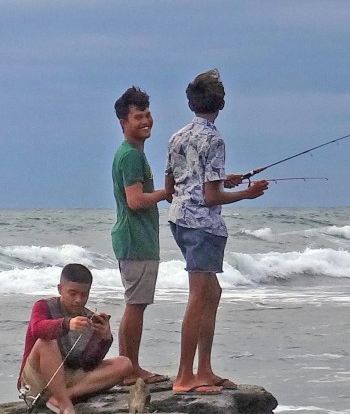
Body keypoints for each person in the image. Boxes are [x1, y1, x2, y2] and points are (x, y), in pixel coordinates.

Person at [164, 69, 269, 395]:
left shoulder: (177, 136)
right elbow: (211, 197)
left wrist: (226, 179)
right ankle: (184, 376)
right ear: (220, 103)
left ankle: (204, 369)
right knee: (199, 296)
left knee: (213, 292)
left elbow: (172, 186)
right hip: (203, 226)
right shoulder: (215, 139)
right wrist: (245, 194)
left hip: (178, 220)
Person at [111, 86, 172, 385]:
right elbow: (135, 200)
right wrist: (166, 192)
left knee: (134, 304)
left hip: (135, 239)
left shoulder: (132, 154)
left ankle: (126, 367)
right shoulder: (131, 156)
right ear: (124, 122)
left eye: (147, 114)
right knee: (136, 305)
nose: (145, 120)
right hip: (136, 239)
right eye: (138, 117)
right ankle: (130, 369)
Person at [18, 263, 134, 414]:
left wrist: (104, 339)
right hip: (36, 381)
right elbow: (37, 328)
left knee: (124, 363)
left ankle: (61, 397)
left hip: (68, 379)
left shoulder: (88, 317)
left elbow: (87, 364)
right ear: (60, 289)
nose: (78, 300)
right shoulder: (43, 306)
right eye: (72, 293)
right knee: (47, 342)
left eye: (84, 294)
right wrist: (67, 323)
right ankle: (65, 405)